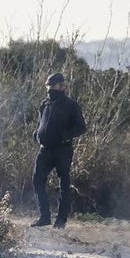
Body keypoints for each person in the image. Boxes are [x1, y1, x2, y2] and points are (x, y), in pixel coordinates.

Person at [32, 71, 87, 229]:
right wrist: (37, 133)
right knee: (37, 180)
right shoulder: (45, 104)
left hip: (62, 151)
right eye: (48, 86)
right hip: (44, 150)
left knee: (64, 184)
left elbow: (81, 127)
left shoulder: (71, 105)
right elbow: (40, 122)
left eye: (53, 86)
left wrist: (65, 136)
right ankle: (44, 217)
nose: (50, 89)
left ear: (61, 86)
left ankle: (60, 221)